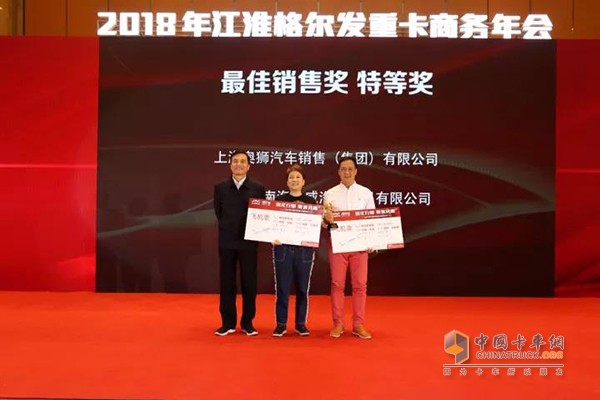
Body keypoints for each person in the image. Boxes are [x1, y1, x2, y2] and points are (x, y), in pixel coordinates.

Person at [213, 151, 266, 336]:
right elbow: (218, 212)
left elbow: (261, 214)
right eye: (235, 161)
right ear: (230, 165)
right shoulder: (220, 187)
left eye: (243, 161)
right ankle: (228, 323)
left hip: (249, 241)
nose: (239, 164)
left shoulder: (258, 188)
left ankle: (247, 323)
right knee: (227, 282)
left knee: (249, 283)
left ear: (249, 166)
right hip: (227, 241)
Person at [323, 156, 375, 339]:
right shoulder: (329, 194)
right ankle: (338, 323)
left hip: (359, 246)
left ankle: (358, 324)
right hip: (338, 244)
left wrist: (372, 242)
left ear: (356, 171)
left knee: (360, 285)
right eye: (343, 169)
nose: (347, 172)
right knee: (337, 284)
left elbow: (372, 219)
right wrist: (326, 219)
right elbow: (324, 223)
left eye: (350, 169)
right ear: (339, 172)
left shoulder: (366, 193)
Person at [271, 165, 317, 337]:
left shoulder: (311, 202)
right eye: (291, 177)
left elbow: (315, 225)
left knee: (303, 289)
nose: (294, 180)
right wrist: (273, 236)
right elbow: (272, 223)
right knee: (282, 288)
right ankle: (281, 324)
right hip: (283, 248)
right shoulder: (279, 200)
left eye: (298, 177)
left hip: (304, 250)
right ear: (287, 182)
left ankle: (300, 323)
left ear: (303, 181)